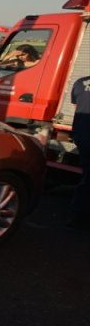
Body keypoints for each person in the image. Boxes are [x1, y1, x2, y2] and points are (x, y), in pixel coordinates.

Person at [70, 75, 90, 230]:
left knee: (87, 176)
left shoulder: (80, 82)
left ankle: (77, 217)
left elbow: (78, 107)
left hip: (82, 135)